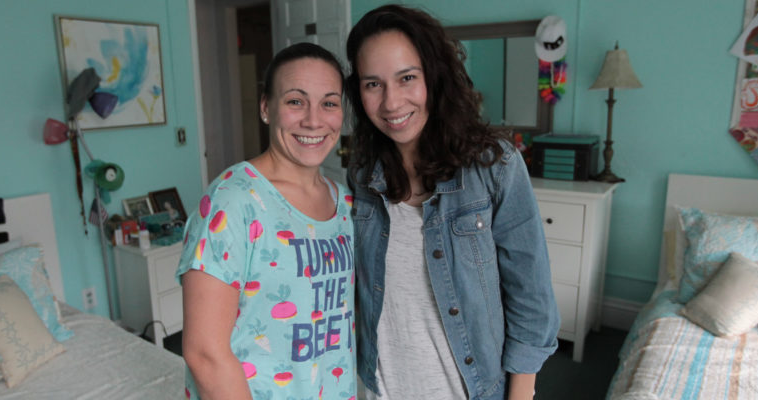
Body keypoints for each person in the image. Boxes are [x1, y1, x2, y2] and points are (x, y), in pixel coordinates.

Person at [344, 5, 560, 400]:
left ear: (434, 75)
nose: (391, 102)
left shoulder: (495, 165)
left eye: (407, 78)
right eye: (373, 84)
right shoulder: (362, 175)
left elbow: (533, 301)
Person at [176, 42, 356, 399]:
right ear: (265, 108)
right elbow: (205, 354)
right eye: (295, 101)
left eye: (329, 103)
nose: (314, 120)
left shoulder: (347, 204)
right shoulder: (234, 202)